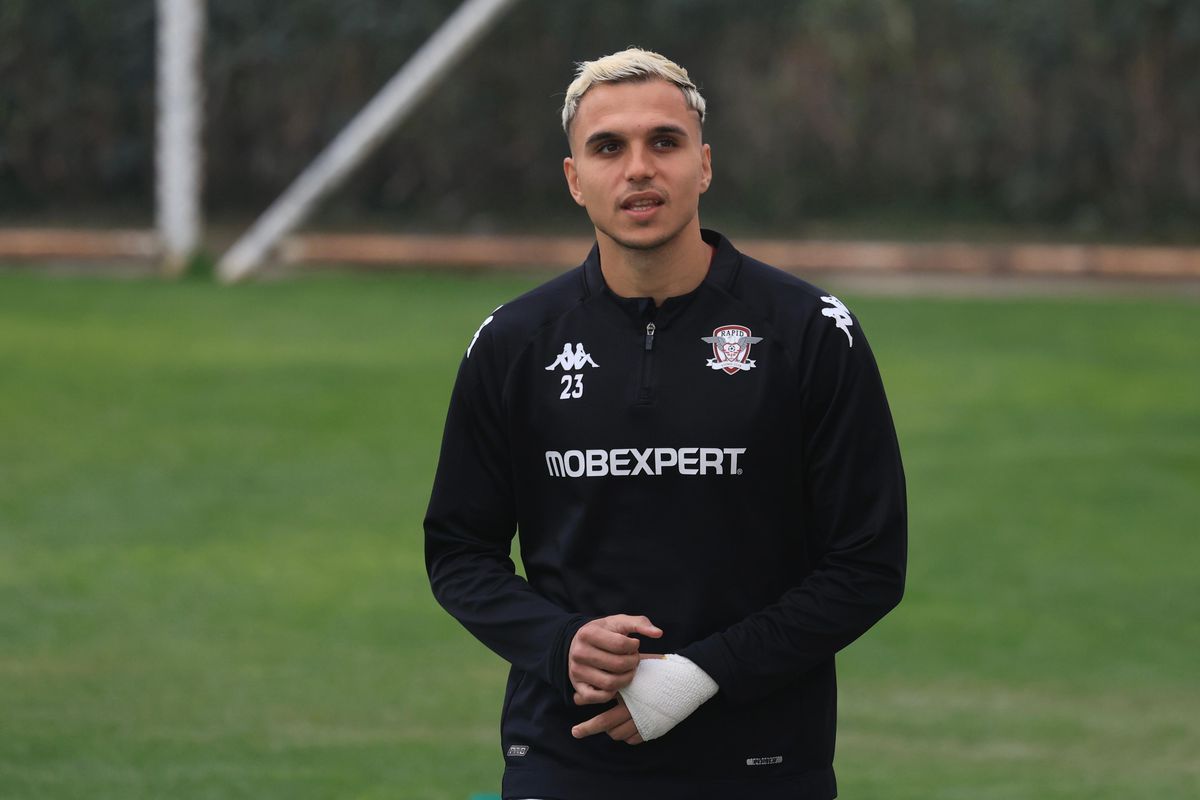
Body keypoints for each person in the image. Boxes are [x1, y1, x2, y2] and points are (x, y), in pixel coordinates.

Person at [425, 47, 907, 800]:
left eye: (664, 142)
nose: (639, 168)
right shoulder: (514, 343)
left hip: (763, 762)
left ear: (703, 165)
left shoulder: (810, 332)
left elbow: (867, 563)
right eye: (608, 148)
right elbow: (458, 551)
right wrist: (559, 644)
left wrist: (700, 674)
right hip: (565, 758)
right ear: (574, 178)